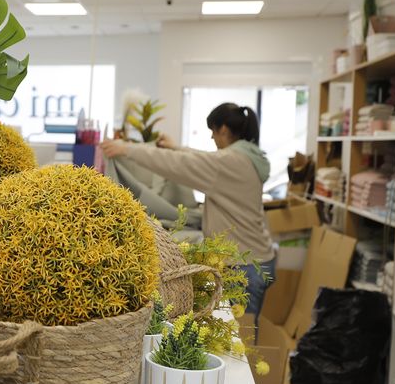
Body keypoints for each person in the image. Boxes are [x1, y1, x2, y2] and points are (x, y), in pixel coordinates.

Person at [101, 102, 276, 336]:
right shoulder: (247, 157)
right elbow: (202, 158)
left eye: (213, 132)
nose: (213, 139)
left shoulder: (229, 162)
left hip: (245, 266)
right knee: (240, 337)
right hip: (256, 256)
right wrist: (177, 147)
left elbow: (181, 165)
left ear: (223, 129)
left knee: (239, 341)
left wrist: (127, 150)